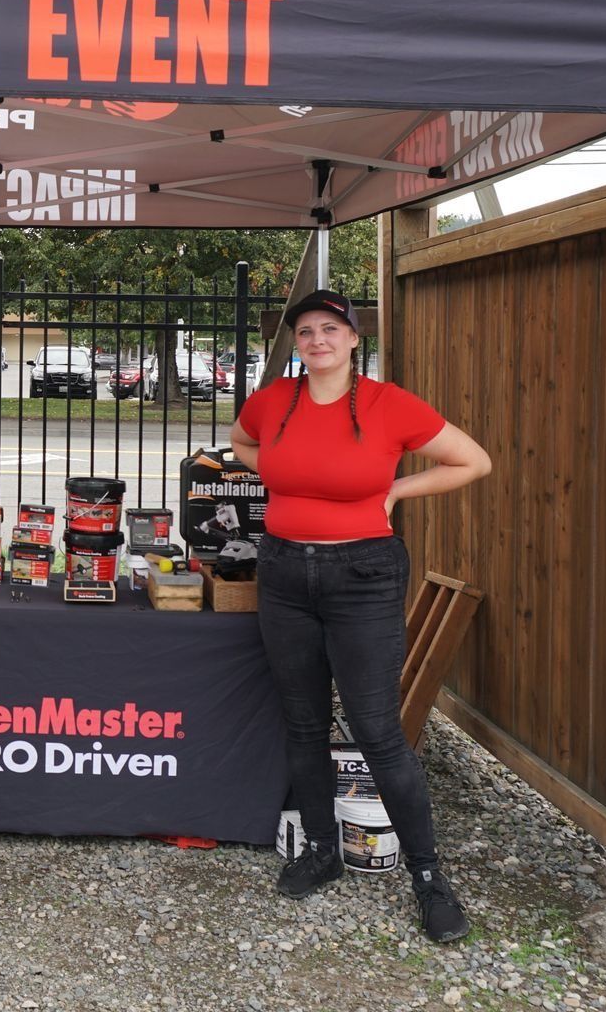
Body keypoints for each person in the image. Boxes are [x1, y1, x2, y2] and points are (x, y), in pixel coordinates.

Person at [229, 289, 490, 943]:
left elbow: (472, 460)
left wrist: (398, 487)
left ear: (352, 338)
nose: (317, 340)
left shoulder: (388, 404)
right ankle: (323, 849)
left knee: (377, 730)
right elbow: (240, 444)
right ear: (296, 343)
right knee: (303, 722)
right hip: (284, 573)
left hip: (363, 577)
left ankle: (428, 876)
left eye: (330, 329)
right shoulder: (272, 402)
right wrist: (285, 478)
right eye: (306, 331)